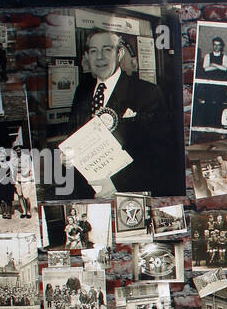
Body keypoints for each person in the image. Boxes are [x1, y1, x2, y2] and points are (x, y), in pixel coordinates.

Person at [68, 28, 174, 199]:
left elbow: (163, 155)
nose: (100, 57)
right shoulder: (82, 91)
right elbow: (73, 135)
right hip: (85, 192)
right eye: (93, 51)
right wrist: (69, 156)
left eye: (107, 50)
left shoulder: (148, 92)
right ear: (87, 56)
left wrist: (119, 183)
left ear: (119, 53)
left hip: (127, 193)